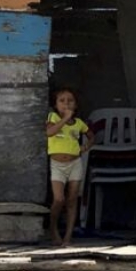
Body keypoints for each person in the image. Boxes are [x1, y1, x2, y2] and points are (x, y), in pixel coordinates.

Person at [45, 88, 91, 247]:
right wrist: (64, 119)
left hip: (75, 163)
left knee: (72, 200)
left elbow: (92, 136)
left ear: (76, 105)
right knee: (59, 199)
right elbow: (50, 132)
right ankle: (53, 228)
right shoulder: (53, 117)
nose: (66, 103)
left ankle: (68, 237)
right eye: (62, 101)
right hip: (57, 165)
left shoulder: (79, 123)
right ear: (55, 105)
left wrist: (85, 147)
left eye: (70, 100)